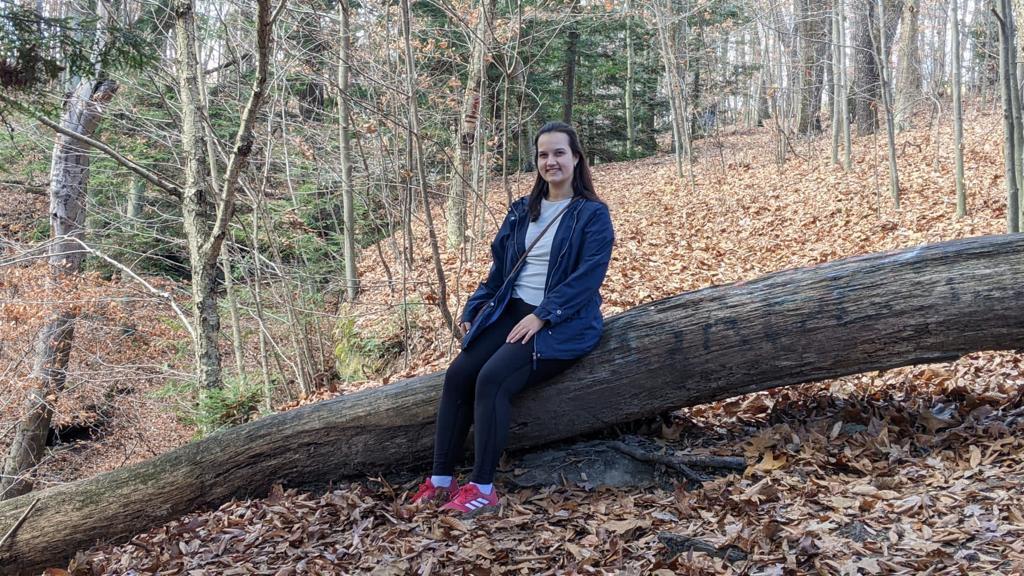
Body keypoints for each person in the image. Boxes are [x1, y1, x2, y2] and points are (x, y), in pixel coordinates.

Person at [409, 121, 615, 515]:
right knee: (458, 376)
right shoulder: (522, 210)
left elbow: (587, 279)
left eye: (559, 153)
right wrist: (474, 309)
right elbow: (500, 272)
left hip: (563, 320)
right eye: (543, 154)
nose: (550, 161)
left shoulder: (592, 215)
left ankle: (482, 488)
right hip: (512, 310)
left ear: (575, 158)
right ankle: (440, 480)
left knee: (492, 378)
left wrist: (543, 315)